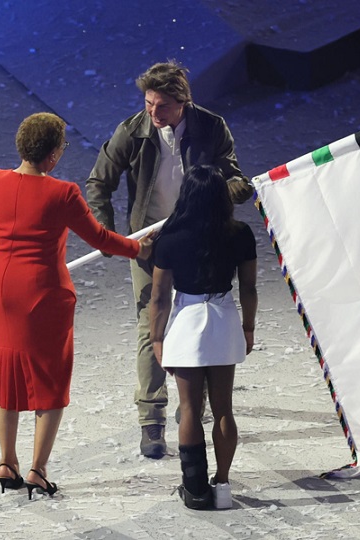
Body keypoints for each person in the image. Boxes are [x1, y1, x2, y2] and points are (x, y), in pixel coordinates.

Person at [86, 60, 253, 458]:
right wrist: (116, 239)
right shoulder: (133, 131)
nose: (152, 112)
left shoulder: (211, 127)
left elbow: (235, 179)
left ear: (182, 103)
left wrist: (213, 198)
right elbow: (98, 184)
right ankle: (151, 418)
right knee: (152, 324)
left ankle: (194, 408)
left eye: (161, 106)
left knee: (202, 321)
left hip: (199, 239)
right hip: (149, 243)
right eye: (148, 103)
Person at [0, 112, 154, 500]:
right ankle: (37, 470)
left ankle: (6, 461)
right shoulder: (62, 193)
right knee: (51, 380)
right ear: (54, 155)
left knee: (8, 371)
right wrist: (137, 247)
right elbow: (100, 238)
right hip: (42, 295)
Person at [149, 164, 257, 509]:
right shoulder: (240, 233)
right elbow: (250, 287)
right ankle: (222, 486)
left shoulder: (170, 237)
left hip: (187, 321)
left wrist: (156, 338)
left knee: (191, 409)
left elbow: (159, 297)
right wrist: (248, 328)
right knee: (224, 409)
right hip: (223, 318)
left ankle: (195, 489)